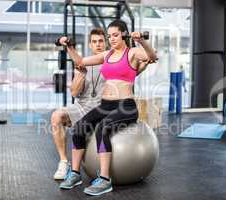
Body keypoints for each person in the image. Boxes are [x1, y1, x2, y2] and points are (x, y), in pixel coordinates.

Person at [58, 19, 157, 196]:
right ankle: (74, 173)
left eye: (115, 35)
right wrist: (69, 47)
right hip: (106, 105)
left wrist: (141, 40)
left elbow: (151, 56)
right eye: (109, 35)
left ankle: (104, 179)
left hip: (125, 106)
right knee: (79, 128)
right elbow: (80, 61)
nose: (111, 39)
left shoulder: (132, 52)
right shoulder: (107, 56)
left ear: (125, 34)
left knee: (102, 128)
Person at [51, 28, 106, 180]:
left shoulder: (111, 61)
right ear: (90, 45)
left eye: (101, 41)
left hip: (102, 109)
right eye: (94, 42)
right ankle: (63, 162)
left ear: (106, 43)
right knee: (57, 116)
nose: (98, 44)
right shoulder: (83, 62)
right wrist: (81, 74)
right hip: (81, 107)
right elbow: (74, 93)